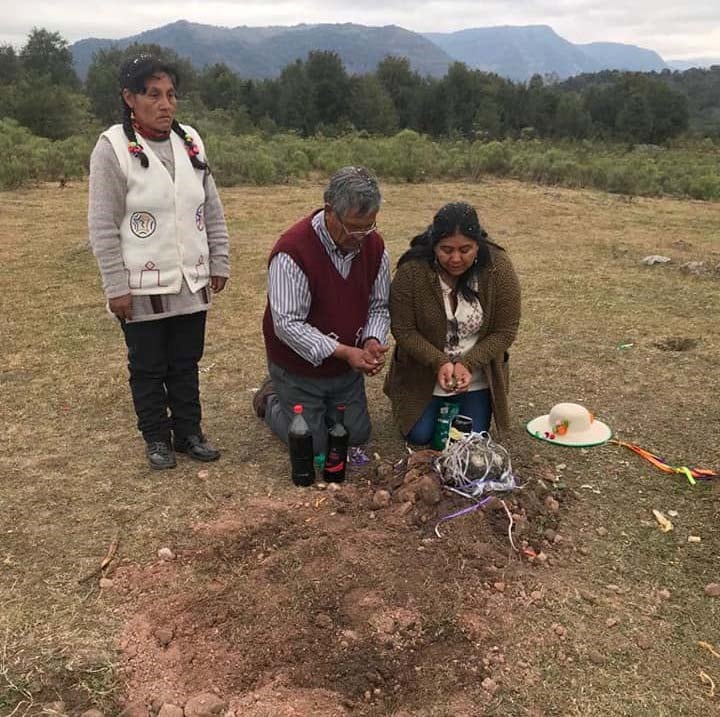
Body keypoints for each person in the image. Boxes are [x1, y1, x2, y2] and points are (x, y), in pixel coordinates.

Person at [88, 55, 230, 470]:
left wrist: (219, 258)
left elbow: (212, 208)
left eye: (171, 95)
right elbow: (102, 225)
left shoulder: (191, 143)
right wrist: (115, 286)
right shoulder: (113, 148)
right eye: (153, 95)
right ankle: (156, 438)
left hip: (190, 279)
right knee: (149, 366)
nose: (165, 104)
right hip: (141, 285)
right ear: (129, 98)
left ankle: (188, 432)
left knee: (186, 361)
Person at [254, 166, 390, 457]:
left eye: (370, 226)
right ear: (330, 211)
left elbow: (379, 305)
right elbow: (288, 325)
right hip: (298, 368)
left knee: (356, 436)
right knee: (311, 443)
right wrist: (344, 351)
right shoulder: (292, 251)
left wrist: (371, 341)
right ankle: (270, 400)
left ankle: (322, 407)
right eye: (354, 226)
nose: (362, 235)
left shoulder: (374, 246)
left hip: (345, 370)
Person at [383, 202, 520, 444]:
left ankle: (474, 399)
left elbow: (505, 330)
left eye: (465, 249)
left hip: (476, 372)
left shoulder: (498, 268)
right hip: (423, 370)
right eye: (446, 250)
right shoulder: (412, 271)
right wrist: (439, 361)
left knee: (468, 438)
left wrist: (468, 363)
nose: (455, 258)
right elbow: (403, 330)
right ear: (433, 245)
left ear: (479, 244)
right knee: (420, 435)